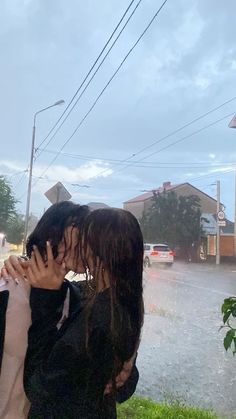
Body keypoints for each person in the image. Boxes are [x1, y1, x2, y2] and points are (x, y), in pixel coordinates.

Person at [0, 204, 140, 418]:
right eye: (63, 243)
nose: (69, 255)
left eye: (80, 245)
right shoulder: (6, 292)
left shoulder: (78, 299)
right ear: (44, 239)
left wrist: (127, 363)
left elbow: (117, 388)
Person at [0, 201, 90, 419]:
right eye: (81, 233)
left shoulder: (76, 299)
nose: (90, 244)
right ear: (54, 235)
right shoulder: (7, 289)